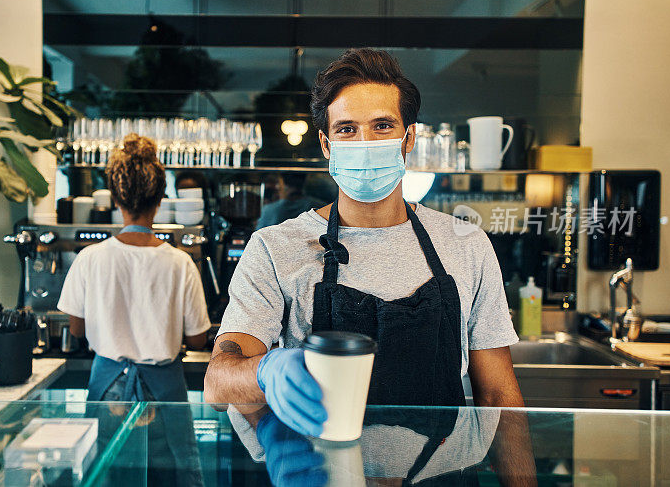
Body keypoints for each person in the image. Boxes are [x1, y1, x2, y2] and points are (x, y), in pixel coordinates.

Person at [204, 48, 524, 436]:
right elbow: (218, 384)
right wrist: (268, 370)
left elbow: (498, 397)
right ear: (326, 145)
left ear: (409, 138)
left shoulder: (466, 245)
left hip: (445, 475)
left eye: (383, 126)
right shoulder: (275, 247)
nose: (365, 142)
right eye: (347, 129)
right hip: (325, 475)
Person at [59, 134, 211, 402]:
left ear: (116, 200)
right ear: (160, 199)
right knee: (169, 446)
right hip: (164, 387)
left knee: (107, 446)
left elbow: (77, 330)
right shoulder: (180, 263)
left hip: (107, 385)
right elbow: (198, 339)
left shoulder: (89, 258)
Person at [256, 173, 325, 230]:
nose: (277, 186)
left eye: (279, 182)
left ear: (284, 185)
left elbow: (258, 237)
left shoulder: (269, 210)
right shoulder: (321, 207)